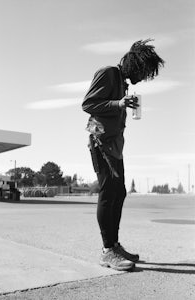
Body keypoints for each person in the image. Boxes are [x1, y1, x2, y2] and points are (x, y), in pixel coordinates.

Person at [82, 39, 164, 271]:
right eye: (145, 71)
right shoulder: (108, 73)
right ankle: (108, 251)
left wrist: (121, 104)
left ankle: (114, 245)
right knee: (109, 193)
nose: (146, 76)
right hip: (100, 142)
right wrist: (118, 103)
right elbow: (88, 103)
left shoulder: (123, 83)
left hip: (114, 146)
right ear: (134, 65)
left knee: (119, 192)